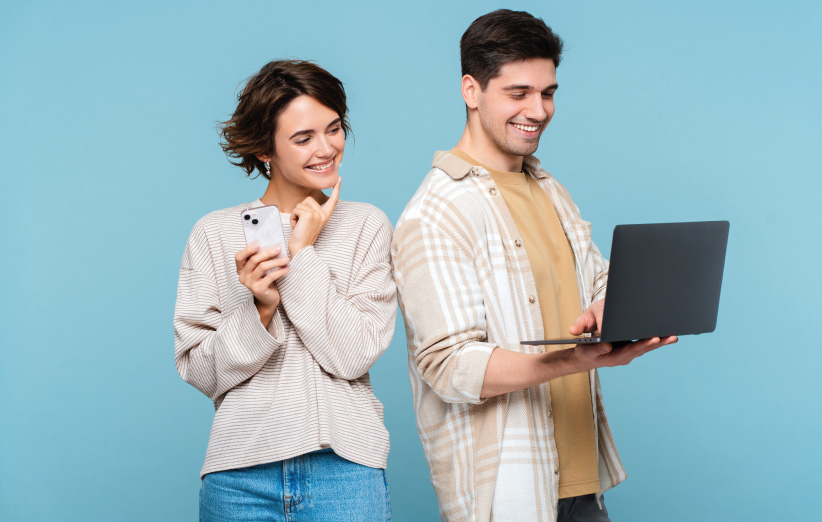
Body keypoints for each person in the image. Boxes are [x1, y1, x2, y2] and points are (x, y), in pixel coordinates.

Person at [391, 10, 678, 522]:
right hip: (509, 493)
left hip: (582, 480)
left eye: (547, 93)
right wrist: (576, 359)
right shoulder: (435, 212)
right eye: (518, 93)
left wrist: (619, 308)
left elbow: (594, 279)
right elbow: (448, 364)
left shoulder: (548, 188)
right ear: (471, 90)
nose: (539, 110)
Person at [174, 60, 396, 522]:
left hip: (346, 469)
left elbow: (353, 354)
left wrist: (302, 254)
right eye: (303, 138)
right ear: (264, 150)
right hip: (239, 475)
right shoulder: (215, 234)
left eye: (334, 129)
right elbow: (199, 369)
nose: (327, 148)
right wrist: (259, 307)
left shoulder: (365, 225)